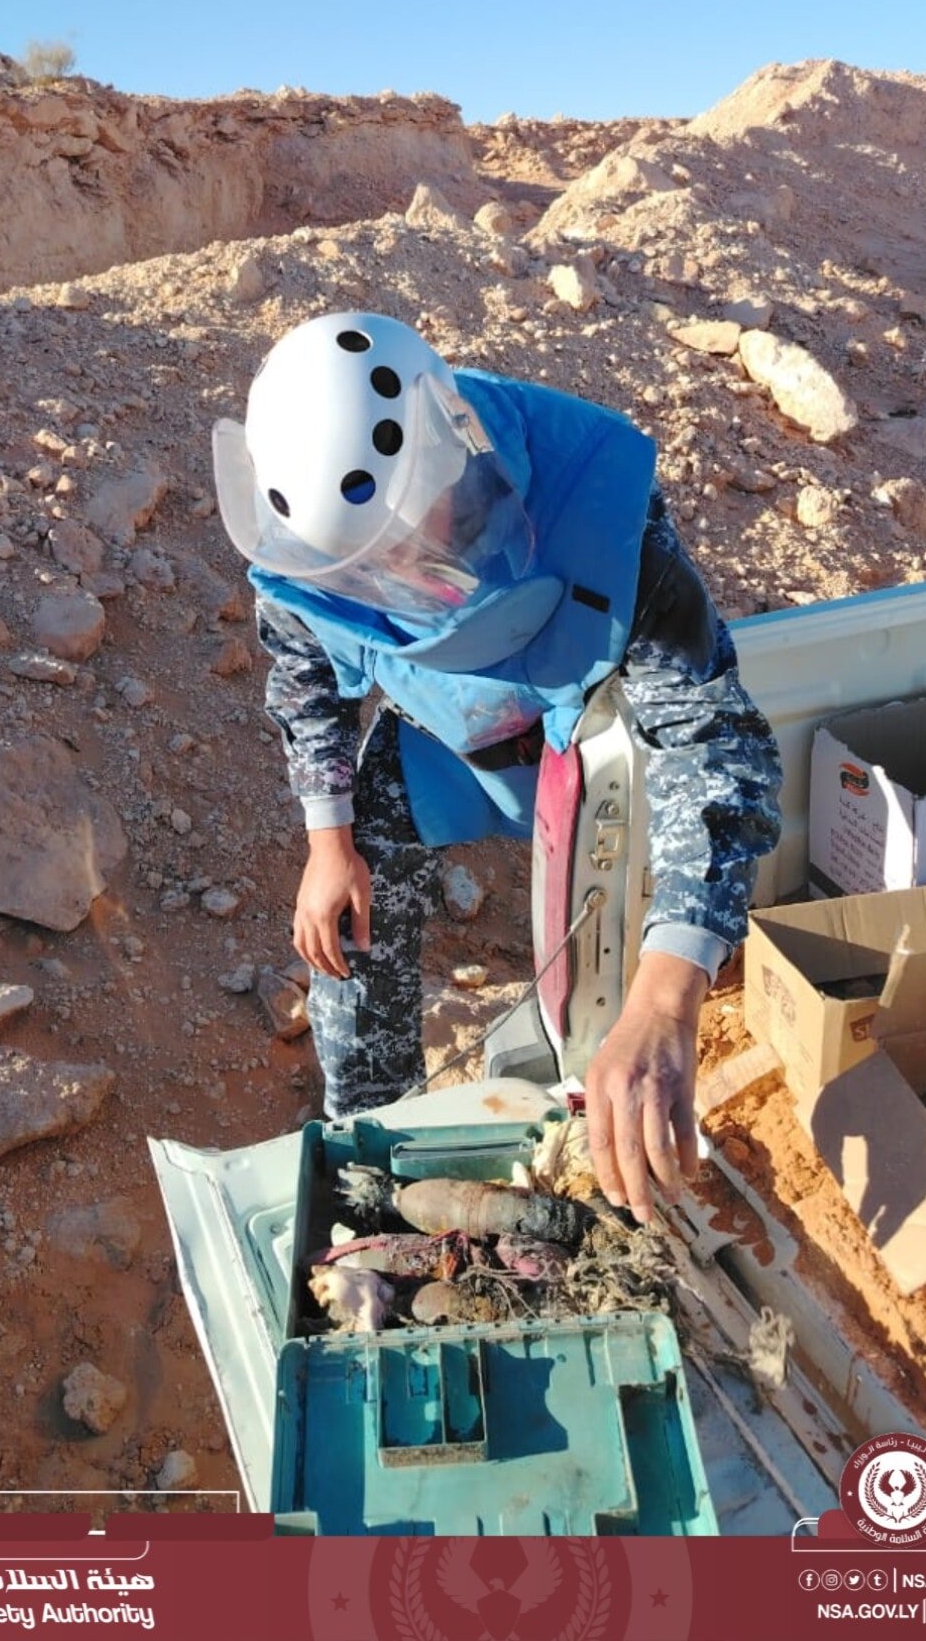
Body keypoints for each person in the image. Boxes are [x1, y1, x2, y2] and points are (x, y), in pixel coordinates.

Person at [212, 311, 782, 1223]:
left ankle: (608, 1080)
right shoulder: (306, 548)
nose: (393, 577)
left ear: (448, 454)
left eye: (405, 543)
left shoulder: (591, 499)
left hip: (599, 750)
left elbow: (709, 739)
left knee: (636, 973)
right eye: (363, 570)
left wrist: (669, 998)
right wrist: (328, 841)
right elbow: (306, 675)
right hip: (452, 744)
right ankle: (372, 1151)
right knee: (350, 912)